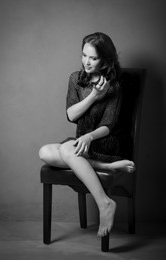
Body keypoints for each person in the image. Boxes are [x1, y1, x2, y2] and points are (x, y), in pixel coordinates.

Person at [39, 32, 135, 237]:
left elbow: (109, 125)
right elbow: (71, 115)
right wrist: (93, 95)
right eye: (84, 55)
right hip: (83, 140)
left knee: (66, 149)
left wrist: (89, 137)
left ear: (105, 60)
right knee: (45, 152)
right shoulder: (76, 79)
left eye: (93, 58)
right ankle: (106, 167)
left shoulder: (114, 84)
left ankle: (105, 203)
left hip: (105, 141)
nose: (86, 62)